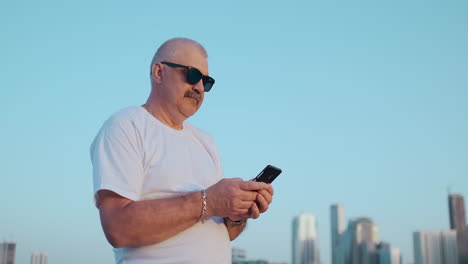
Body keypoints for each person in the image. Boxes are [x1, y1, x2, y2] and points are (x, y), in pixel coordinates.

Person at [90, 38, 274, 264]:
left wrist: (236, 214)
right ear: (158, 72)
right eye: (192, 75)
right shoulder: (126, 126)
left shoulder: (206, 142)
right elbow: (117, 227)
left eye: (206, 81)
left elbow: (223, 233)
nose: (198, 87)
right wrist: (210, 201)